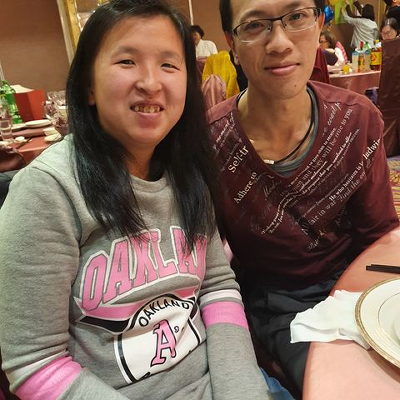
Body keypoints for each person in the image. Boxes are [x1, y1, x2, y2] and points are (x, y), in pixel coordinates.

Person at [0, 1, 272, 399]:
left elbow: (216, 287)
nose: (150, 82)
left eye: (168, 64)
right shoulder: (49, 190)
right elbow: (34, 362)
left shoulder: (189, 172)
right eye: (127, 61)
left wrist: (243, 393)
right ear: (88, 85)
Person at [209, 0, 399, 393]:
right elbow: (203, 263)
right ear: (232, 43)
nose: (279, 42)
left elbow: (379, 235)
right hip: (279, 304)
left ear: (317, 25)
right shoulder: (209, 142)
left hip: (358, 284)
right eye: (255, 25)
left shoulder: (356, 118)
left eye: (296, 17)